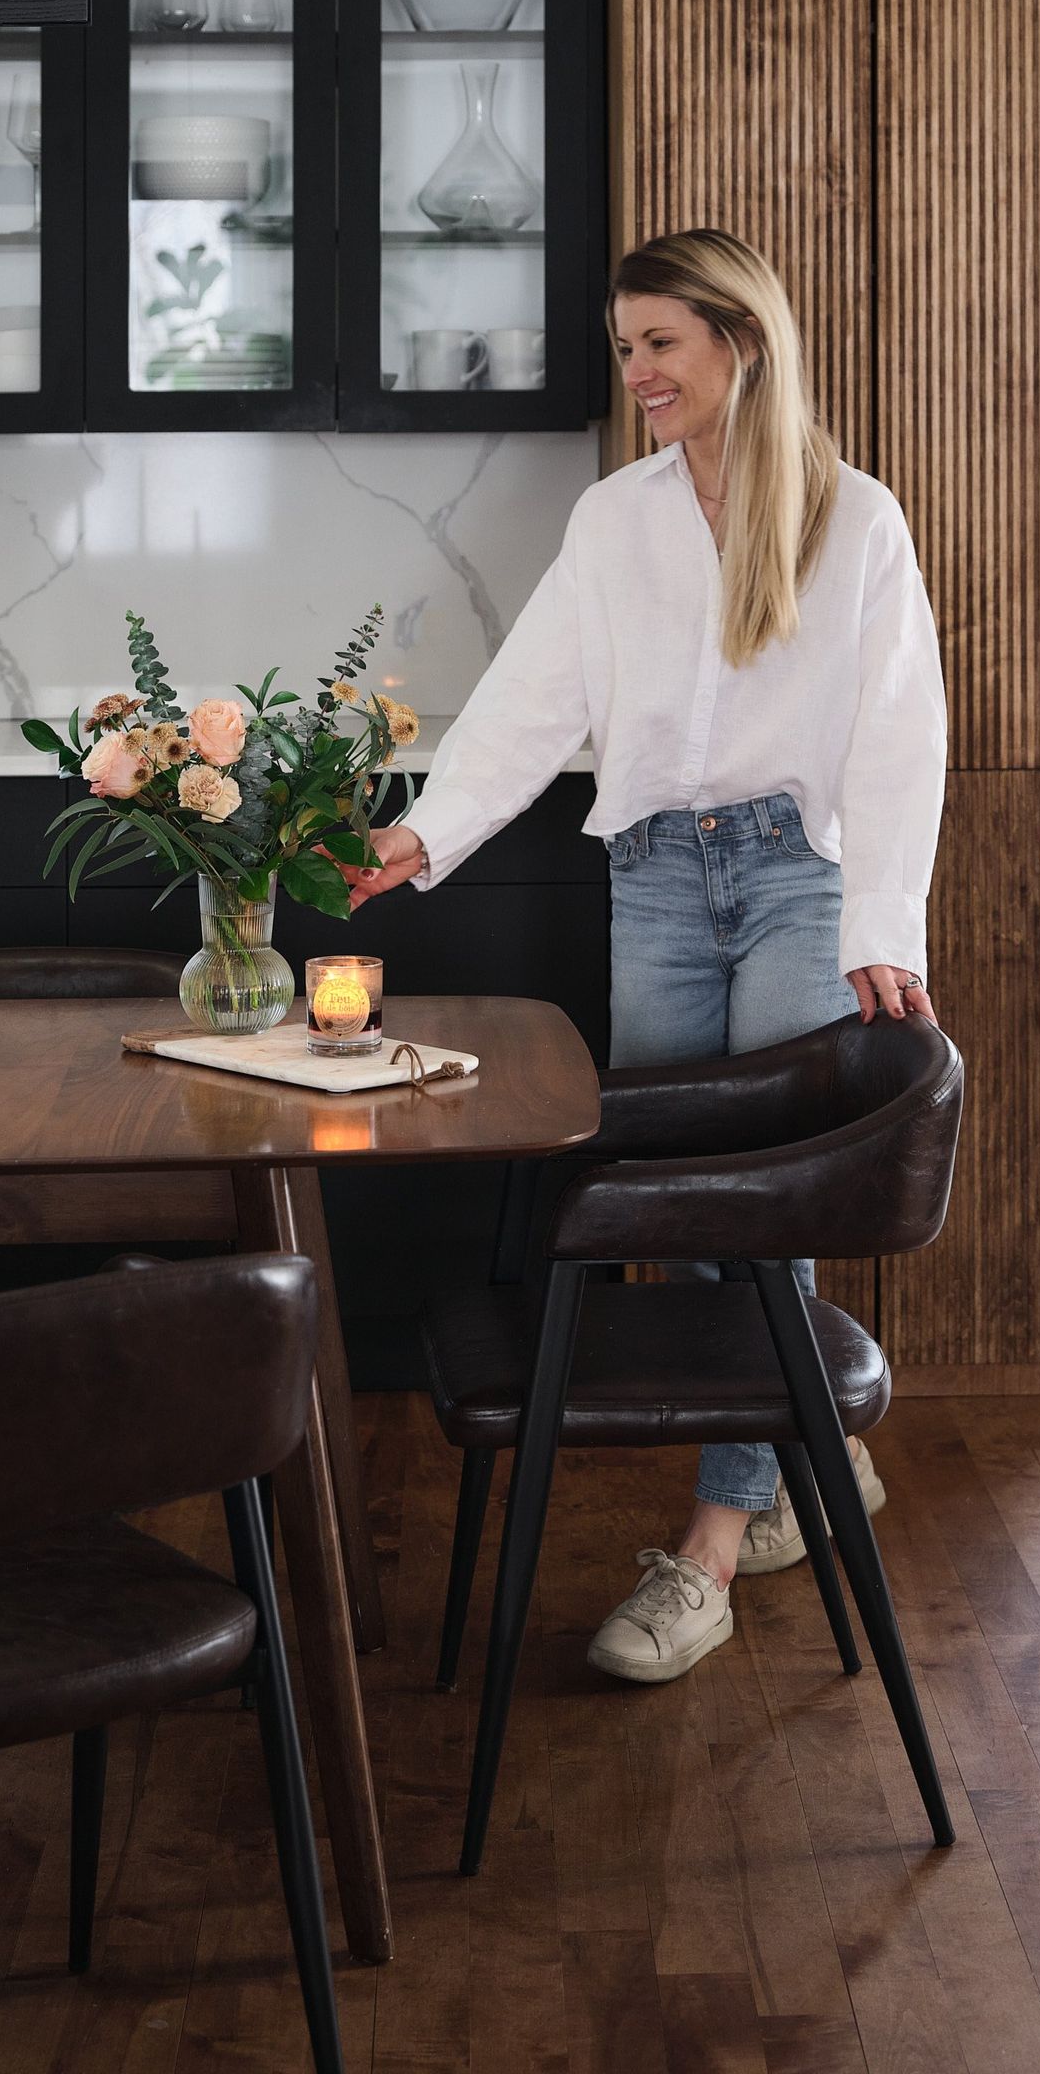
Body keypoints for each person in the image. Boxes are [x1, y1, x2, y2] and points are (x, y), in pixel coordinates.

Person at [344, 228, 946, 1686]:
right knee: (669, 1201)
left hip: (799, 880)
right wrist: (428, 832)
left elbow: (899, 726)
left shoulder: (855, 519)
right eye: (625, 349)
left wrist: (883, 924)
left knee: (759, 1196)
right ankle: (807, 1448)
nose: (638, 374)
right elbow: (534, 696)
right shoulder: (616, 520)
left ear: (740, 339)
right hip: (656, 880)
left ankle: (712, 1552)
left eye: (660, 343)